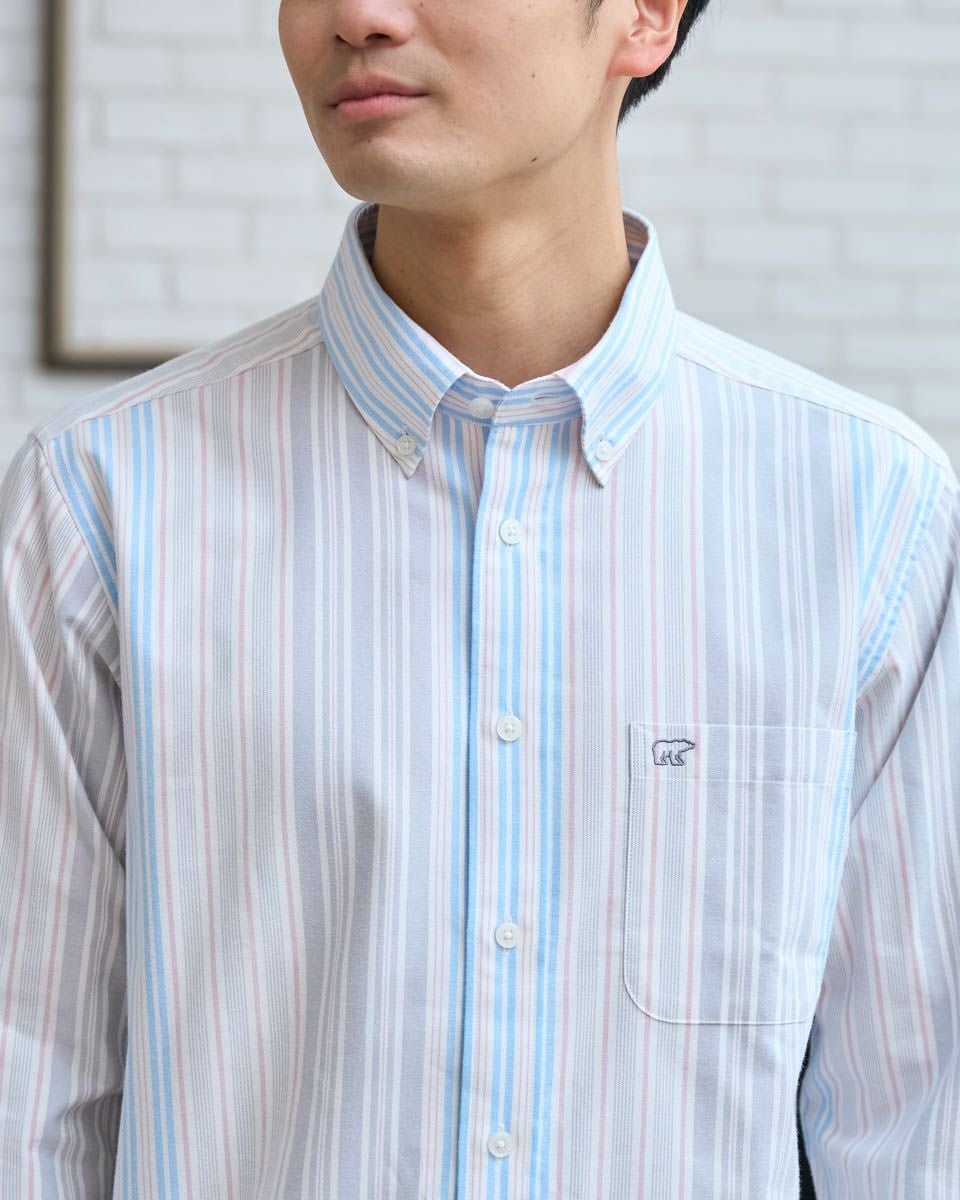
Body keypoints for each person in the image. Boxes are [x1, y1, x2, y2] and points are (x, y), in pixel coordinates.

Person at [1, 0, 957, 1196]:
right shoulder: (98, 502)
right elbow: (28, 1103)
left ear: (645, 17)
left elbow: (917, 1122)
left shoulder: (870, 514)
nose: (356, 16)